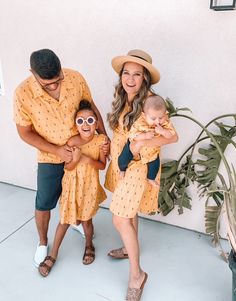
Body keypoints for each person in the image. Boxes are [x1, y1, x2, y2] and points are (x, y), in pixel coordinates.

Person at [13, 49, 109, 267]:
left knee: (78, 196)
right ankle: (42, 242)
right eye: (48, 84)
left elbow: (91, 108)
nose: (55, 86)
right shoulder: (22, 93)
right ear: (32, 73)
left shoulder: (75, 78)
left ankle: (77, 224)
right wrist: (56, 151)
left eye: (58, 80)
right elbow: (24, 132)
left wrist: (104, 137)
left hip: (83, 153)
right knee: (45, 201)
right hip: (50, 156)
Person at [105, 49, 178, 301]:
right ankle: (129, 248)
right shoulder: (122, 97)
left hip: (137, 165)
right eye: (126, 73)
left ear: (144, 78)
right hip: (120, 161)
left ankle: (137, 275)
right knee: (129, 211)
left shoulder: (151, 101)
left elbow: (173, 135)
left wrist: (139, 145)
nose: (131, 79)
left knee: (119, 218)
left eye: (137, 74)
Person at [38, 100, 107, 277]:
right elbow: (67, 168)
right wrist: (75, 160)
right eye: (80, 121)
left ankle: (89, 245)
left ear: (96, 123)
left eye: (90, 121)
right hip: (71, 187)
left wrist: (86, 160)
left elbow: (101, 165)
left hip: (89, 187)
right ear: (75, 124)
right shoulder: (71, 142)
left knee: (87, 220)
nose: (85, 125)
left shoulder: (101, 141)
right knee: (64, 221)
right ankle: (53, 254)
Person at [118, 94, 175, 187]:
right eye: (153, 118)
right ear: (144, 115)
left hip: (151, 151)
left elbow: (171, 135)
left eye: (160, 118)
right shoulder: (140, 123)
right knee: (124, 158)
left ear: (165, 114)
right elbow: (133, 135)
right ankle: (122, 169)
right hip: (134, 148)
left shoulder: (165, 123)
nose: (157, 121)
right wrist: (144, 135)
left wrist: (163, 131)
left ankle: (150, 178)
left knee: (154, 165)